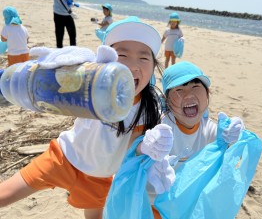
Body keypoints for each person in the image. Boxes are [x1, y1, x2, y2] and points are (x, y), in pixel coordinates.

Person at [0, 16, 173, 219]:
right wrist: (56, 69)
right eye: (122, 55)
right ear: (107, 59)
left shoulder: (147, 108)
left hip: (99, 178)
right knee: (5, 194)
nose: (133, 65)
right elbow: (58, 86)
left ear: (153, 67)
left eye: (143, 58)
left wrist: (149, 148)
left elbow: (133, 150)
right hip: (63, 158)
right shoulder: (93, 84)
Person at [147, 61, 245, 219]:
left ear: (207, 94)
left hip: (186, 205)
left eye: (195, 87)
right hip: (153, 204)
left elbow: (231, 150)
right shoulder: (161, 127)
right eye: (179, 89)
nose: (189, 95)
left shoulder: (211, 130)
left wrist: (235, 134)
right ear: (167, 101)